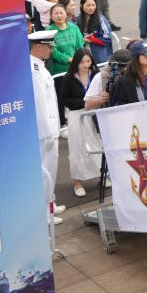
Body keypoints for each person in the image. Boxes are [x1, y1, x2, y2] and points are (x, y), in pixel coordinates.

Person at [28, 31, 65, 225]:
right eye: (49, 46)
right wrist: (47, 133)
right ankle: (44, 213)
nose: (51, 50)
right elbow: (40, 105)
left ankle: (50, 203)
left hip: (50, 128)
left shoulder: (39, 66)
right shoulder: (34, 70)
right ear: (38, 47)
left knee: (51, 169)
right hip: (45, 132)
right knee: (45, 172)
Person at [57, 48, 98, 197]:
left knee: (98, 144)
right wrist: (84, 103)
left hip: (94, 114)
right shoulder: (69, 77)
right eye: (82, 62)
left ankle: (102, 174)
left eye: (88, 61)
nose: (86, 65)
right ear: (76, 62)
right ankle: (78, 182)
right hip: (77, 115)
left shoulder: (96, 74)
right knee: (77, 148)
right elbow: (64, 100)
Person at [45, 2, 84, 76]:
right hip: (59, 71)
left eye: (61, 13)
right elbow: (53, 51)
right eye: (56, 14)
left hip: (76, 66)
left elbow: (80, 46)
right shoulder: (49, 31)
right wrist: (69, 59)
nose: (59, 16)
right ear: (51, 16)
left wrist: (78, 60)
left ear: (66, 14)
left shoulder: (74, 28)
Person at [77, 0, 114, 64]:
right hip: (82, 52)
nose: (91, 8)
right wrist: (81, 40)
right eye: (88, 5)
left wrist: (91, 40)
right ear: (81, 5)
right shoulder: (77, 19)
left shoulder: (101, 19)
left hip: (99, 52)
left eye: (93, 5)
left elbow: (107, 37)